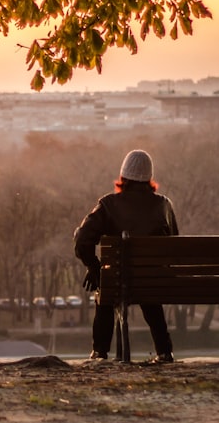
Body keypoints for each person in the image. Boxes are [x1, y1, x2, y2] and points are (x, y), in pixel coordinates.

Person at [74, 149, 177, 363]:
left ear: (123, 176)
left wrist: (94, 268)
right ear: (149, 178)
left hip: (117, 281)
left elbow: (82, 239)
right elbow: (175, 242)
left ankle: (100, 352)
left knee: (107, 284)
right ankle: (164, 351)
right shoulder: (163, 206)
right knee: (147, 288)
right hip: (152, 281)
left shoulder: (109, 205)